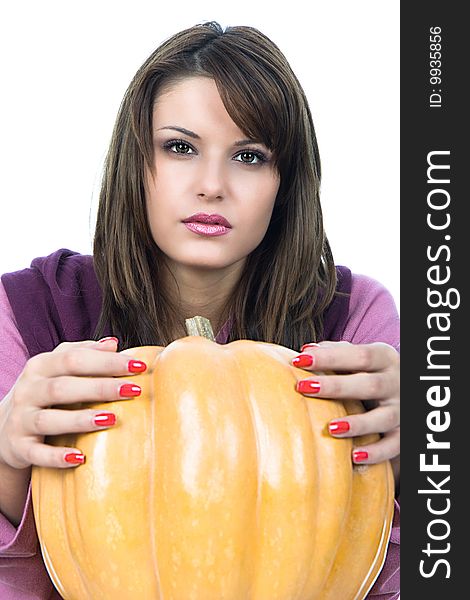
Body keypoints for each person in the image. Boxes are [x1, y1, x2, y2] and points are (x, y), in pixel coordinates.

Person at [0, 21, 399, 599]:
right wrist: (5, 456)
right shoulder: (29, 309)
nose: (212, 185)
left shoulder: (355, 319)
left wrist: (432, 455)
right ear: (137, 161)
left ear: (286, 183)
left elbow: (384, 575)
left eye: (249, 156)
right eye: (180, 147)